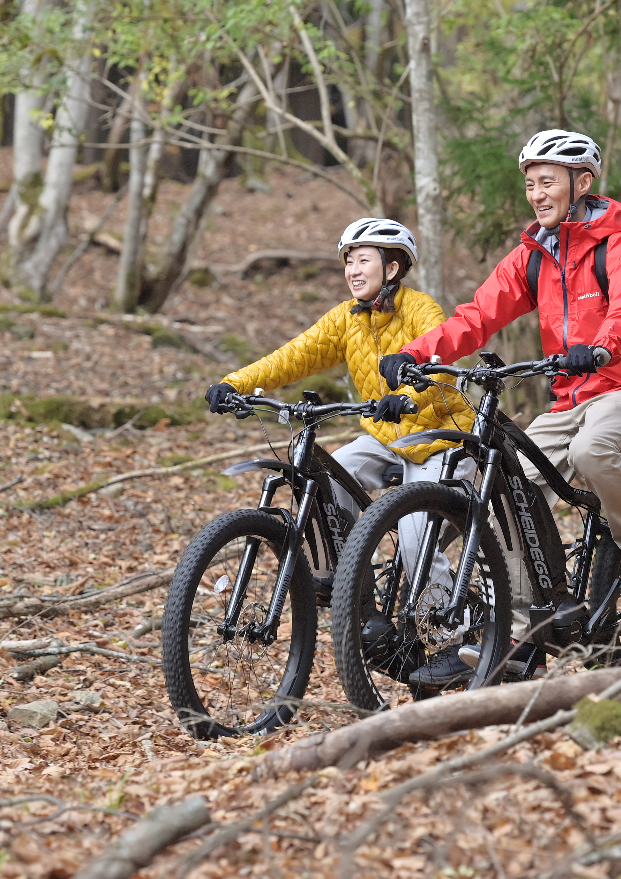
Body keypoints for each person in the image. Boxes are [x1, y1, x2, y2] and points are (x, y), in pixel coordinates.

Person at [379, 129, 621, 673]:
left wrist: (600, 349)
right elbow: (476, 316)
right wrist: (415, 354)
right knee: (505, 487)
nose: (537, 194)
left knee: (593, 450)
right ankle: (524, 637)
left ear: (581, 183)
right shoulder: (533, 257)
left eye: (548, 182)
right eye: (530, 185)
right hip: (570, 402)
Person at [204, 217, 478, 685]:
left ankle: (455, 634)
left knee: (414, 535)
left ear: (392, 269)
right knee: (325, 477)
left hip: (439, 436)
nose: (352, 268)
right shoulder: (348, 317)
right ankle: (354, 582)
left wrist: (409, 397)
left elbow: (441, 367)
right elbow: (294, 354)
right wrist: (236, 383)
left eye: (363, 259)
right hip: (385, 436)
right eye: (348, 260)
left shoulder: (419, 310)